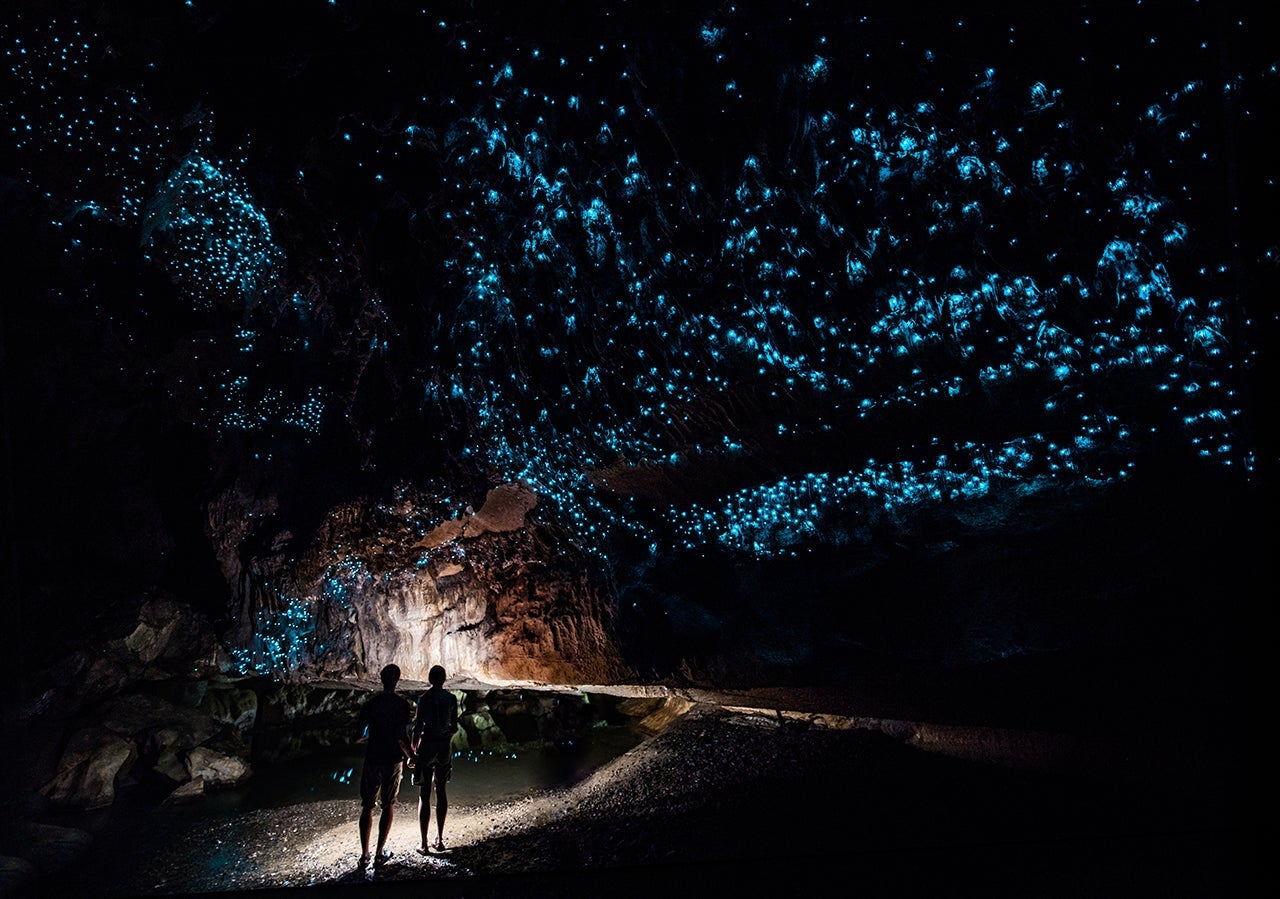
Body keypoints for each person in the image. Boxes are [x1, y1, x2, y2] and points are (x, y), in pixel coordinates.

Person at [353, 663, 414, 869]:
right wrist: (411, 756)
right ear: (397, 680)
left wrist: (370, 738)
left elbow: (358, 736)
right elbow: (401, 736)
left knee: (367, 806)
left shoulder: (371, 704)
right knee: (388, 804)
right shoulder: (402, 705)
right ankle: (380, 854)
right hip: (393, 759)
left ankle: (364, 855)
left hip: (373, 757)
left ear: (381, 679)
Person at [412, 664, 459, 853]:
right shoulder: (451, 699)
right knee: (441, 791)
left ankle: (424, 843)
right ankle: (439, 839)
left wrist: (414, 750)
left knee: (424, 794)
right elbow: (454, 726)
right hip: (443, 747)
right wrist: (446, 739)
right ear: (444, 679)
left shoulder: (424, 699)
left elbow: (417, 727)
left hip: (428, 745)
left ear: (430, 679)